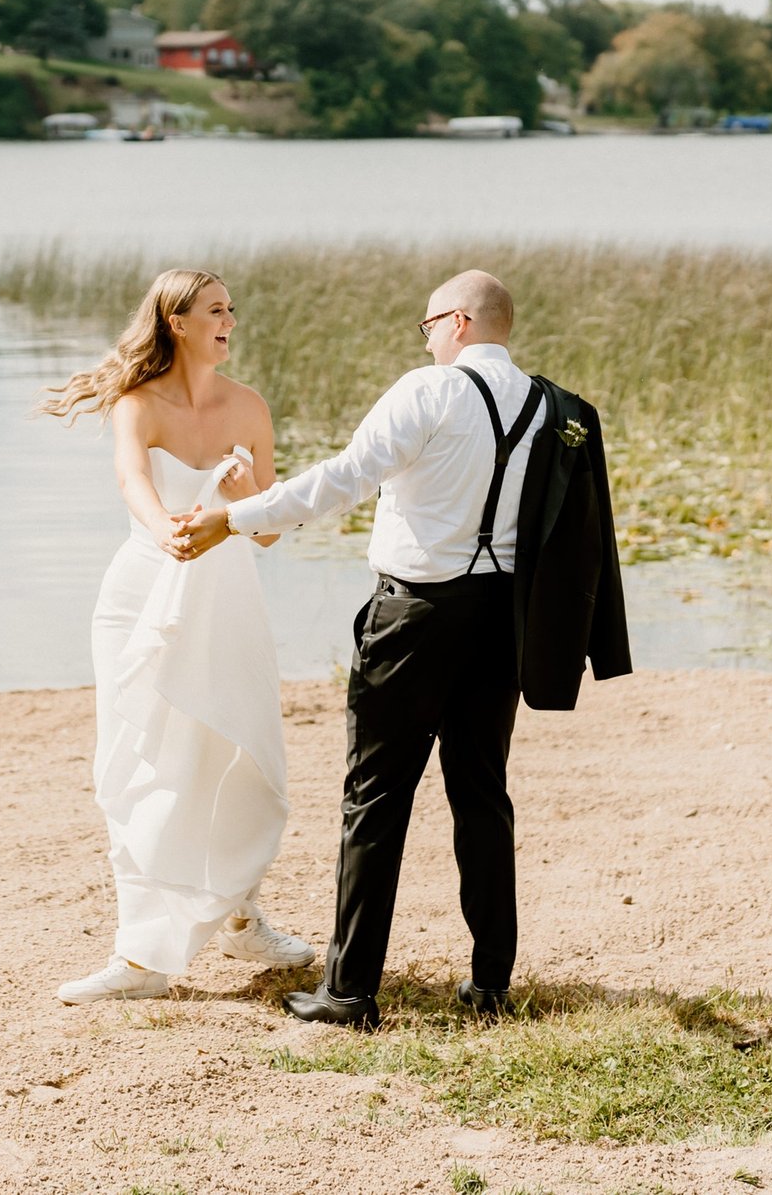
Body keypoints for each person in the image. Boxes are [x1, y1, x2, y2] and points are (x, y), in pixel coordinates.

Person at [168, 269, 627, 1028]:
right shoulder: (556, 407)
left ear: (456, 321)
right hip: (499, 622)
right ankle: (489, 986)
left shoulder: (428, 391)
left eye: (427, 326)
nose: (428, 340)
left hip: (413, 618)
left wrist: (232, 517)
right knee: (482, 794)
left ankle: (349, 992)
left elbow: (343, 480)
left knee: (375, 797)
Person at [42, 268, 317, 1004]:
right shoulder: (139, 405)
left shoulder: (250, 407)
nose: (230, 319)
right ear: (177, 322)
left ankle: (241, 915)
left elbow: (268, 534)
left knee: (236, 753)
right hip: (140, 594)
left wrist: (244, 505)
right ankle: (139, 961)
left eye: (233, 308)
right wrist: (170, 532)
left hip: (227, 602)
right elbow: (133, 480)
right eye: (216, 309)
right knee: (135, 761)